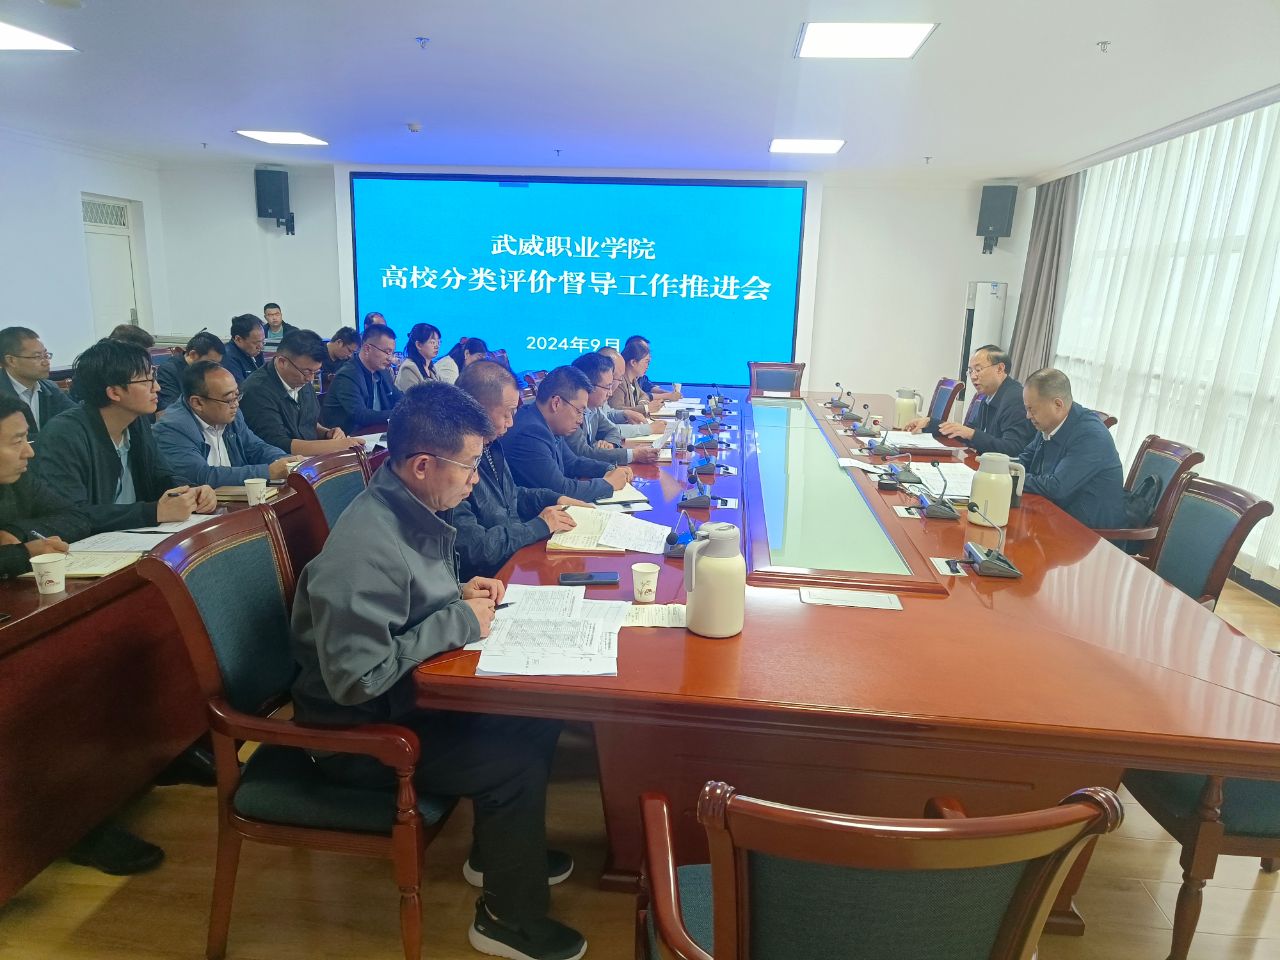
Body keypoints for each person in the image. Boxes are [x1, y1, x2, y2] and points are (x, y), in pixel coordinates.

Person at [291, 381, 586, 960]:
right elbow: (355, 680)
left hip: (403, 700)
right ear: (423, 464)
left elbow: (405, 601)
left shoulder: (409, 507)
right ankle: (506, 920)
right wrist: (457, 621)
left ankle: (500, 855)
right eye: (470, 465)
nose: (476, 478)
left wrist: (456, 593)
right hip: (357, 737)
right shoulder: (363, 548)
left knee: (537, 715)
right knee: (513, 761)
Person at [33, 339, 215, 533]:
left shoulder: (136, 421)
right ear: (114, 392)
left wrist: (191, 492)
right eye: (146, 381)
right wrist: (153, 512)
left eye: (154, 377)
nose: (157, 387)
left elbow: (160, 476)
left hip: (136, 535)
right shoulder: (64, 435)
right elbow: (70, 516)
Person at [451, 361, 582, 580]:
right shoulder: (452, 462)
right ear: (476, 409)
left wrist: (555, 499)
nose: (511, 423)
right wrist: (538, 526)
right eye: (507, 414)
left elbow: (511, 496)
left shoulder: (491, 445)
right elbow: (476, 548)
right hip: (490, 578)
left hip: (514, 557)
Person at [1017, 368, 1127, 530]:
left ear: (1058, 404)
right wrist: (1002, 468)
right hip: (1055, 516)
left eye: (1032, 409)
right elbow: (1025, 458)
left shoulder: (1090, 435)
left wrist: (1012, 477)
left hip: (1089, 534)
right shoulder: (1049, 423)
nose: (1028, 415)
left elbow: (1056, 487)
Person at [501, 365, 631, 502]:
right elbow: (561, 489)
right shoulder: (530, 434)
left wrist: (609, 469)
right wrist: (608, 484)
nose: (580, 420)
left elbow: (573, 463)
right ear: (556, 403)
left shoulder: (547, 423)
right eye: (579, 411)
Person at [153, 361, 294, 487]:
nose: (236, 404)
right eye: (229, 399)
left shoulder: (231, 414)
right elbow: (201, 476)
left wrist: (286, 460)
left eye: (237, 395)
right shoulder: (172, 429)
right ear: (198, 403)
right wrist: (268, 472)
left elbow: (256, 448)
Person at [240, 330, 366, 457]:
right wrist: (337, 446)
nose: (310, 379)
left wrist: (327, 433)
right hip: (283, 463)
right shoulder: (257, 390)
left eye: (316, 372)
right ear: (282, 362)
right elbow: (278, 444)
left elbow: (307, 422)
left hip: (309, 459)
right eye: (307, 372)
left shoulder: (301, 378)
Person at [904, 345, 1036, 456]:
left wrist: (972, 434)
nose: (973, 377)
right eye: (970, 371)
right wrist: (930, 423)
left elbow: (1013, 449)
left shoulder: (1015, 399)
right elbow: (966, 432)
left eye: (978, 370)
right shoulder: (989, 395)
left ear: (1000, 369)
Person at [567, 353, 659, 467]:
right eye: (607, 387)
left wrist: (610, 444)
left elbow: (612, 430)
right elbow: (584, 453)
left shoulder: (594, 408)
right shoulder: (570, 412)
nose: (610, 393)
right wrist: (634, 455)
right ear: (588, 385)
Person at [321, 324, 403, 434]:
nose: (390, 358)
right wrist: (399, 413)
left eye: (392, 353)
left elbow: (398, 398)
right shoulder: (347, 375)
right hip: (349, 437)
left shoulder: (383, 372)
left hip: (375, 433)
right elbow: (361, 415)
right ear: (367, 349)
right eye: (387, 352)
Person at [0, 326, 73, 435]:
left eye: (46, 355)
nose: (46, 362)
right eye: (37, 356)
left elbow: (76, 418)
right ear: (11, 360)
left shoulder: (50, 388)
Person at [155, 331, 224, 412]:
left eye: (217, 363)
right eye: (211, 362)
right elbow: (169, 409)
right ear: (193, 354)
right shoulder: (169, 370)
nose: (213, 368)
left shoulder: (207, 368)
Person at [597, 347, 656, 436]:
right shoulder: (586, 402)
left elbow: (607, 414)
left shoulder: (633, 379)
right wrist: (649, 429)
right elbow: (607, 430)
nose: (610, 392)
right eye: (646, 361)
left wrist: (625, 414)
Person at [608, 338, 663, 418]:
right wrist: (645, 408)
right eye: (646, 362)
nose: (647, 366)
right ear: (633, 362)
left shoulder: (633, 379)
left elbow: (644, 395)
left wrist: (643, 403)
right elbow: (616, 410)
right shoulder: (619, 381)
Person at [623, 334, 680, 401]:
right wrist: (666, 396)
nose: (648, 354)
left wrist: (669, 394)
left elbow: (645, 392)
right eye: (644, 350)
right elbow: (620, 407)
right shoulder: (620, 380)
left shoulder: (636, 379)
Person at [396, 322, 442, 391]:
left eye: (439, 342)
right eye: (433, 342)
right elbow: (413, 397)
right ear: (419, 345)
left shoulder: (432, 368)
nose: (437, 346)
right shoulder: (409, 368)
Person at [222, 314, 267, 385]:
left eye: (263, 341)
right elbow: (242, 388)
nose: (261, 347)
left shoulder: (255, 351)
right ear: (238, 339)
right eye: (256, 342)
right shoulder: (228, 357)